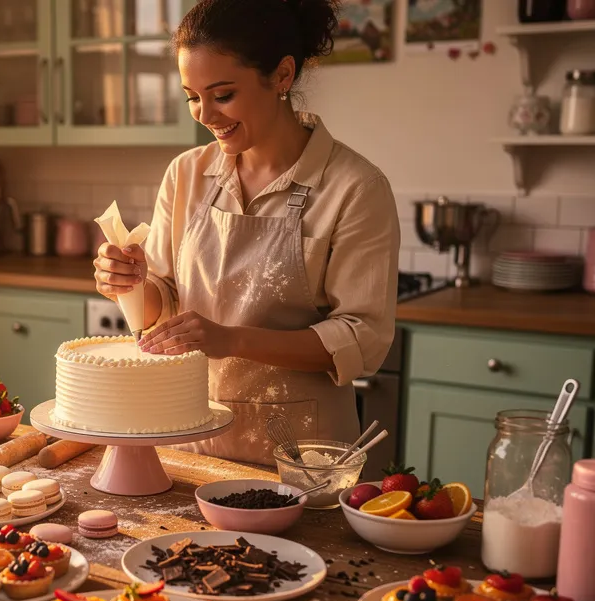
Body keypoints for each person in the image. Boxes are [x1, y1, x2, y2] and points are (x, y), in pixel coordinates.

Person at [92, 0, 399, 465]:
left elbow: (361, 338)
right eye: (192, 96)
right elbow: (166, 300)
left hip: (302, 457)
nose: (204, 114)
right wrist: (132, 282)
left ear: (281, 75)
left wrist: (232, 339)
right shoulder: (186, 174)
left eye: (222, 94)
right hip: (190, 441)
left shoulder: (356, 187)